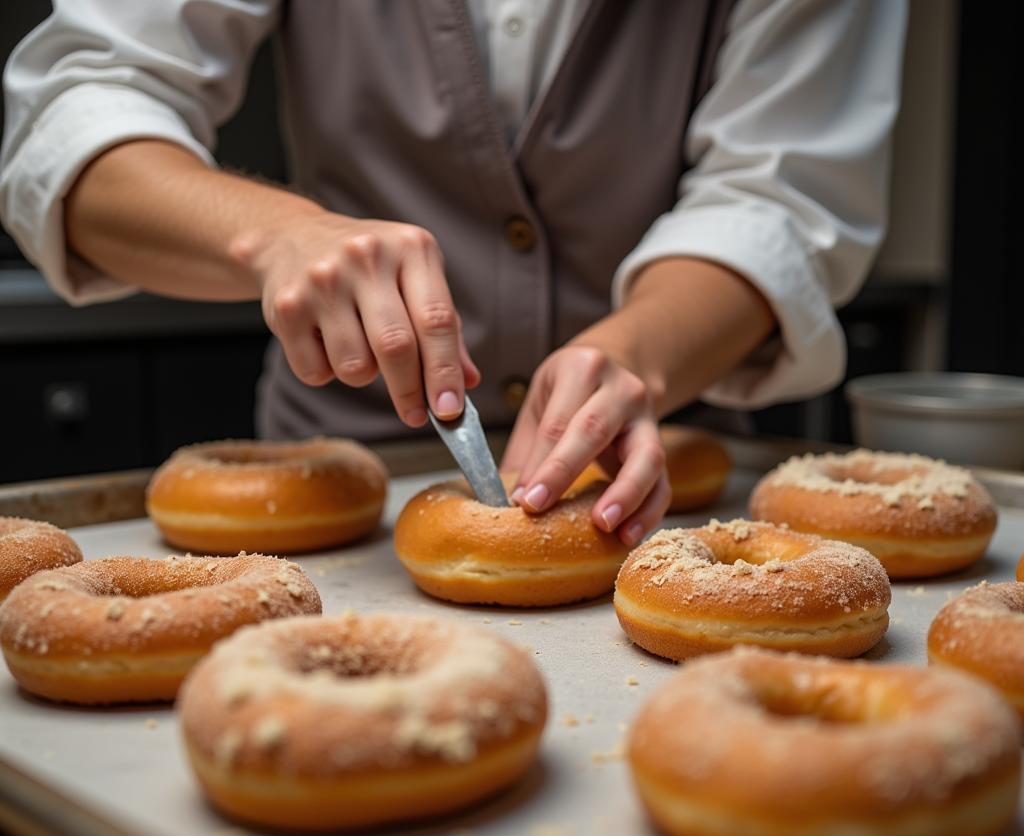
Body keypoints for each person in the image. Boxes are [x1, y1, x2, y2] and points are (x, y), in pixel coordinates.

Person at [0, 1, 906, 546]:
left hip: (658, 483)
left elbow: (781, 194)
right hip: (330, 462)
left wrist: (637, 350)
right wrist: (276, 234)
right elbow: (76, 112)